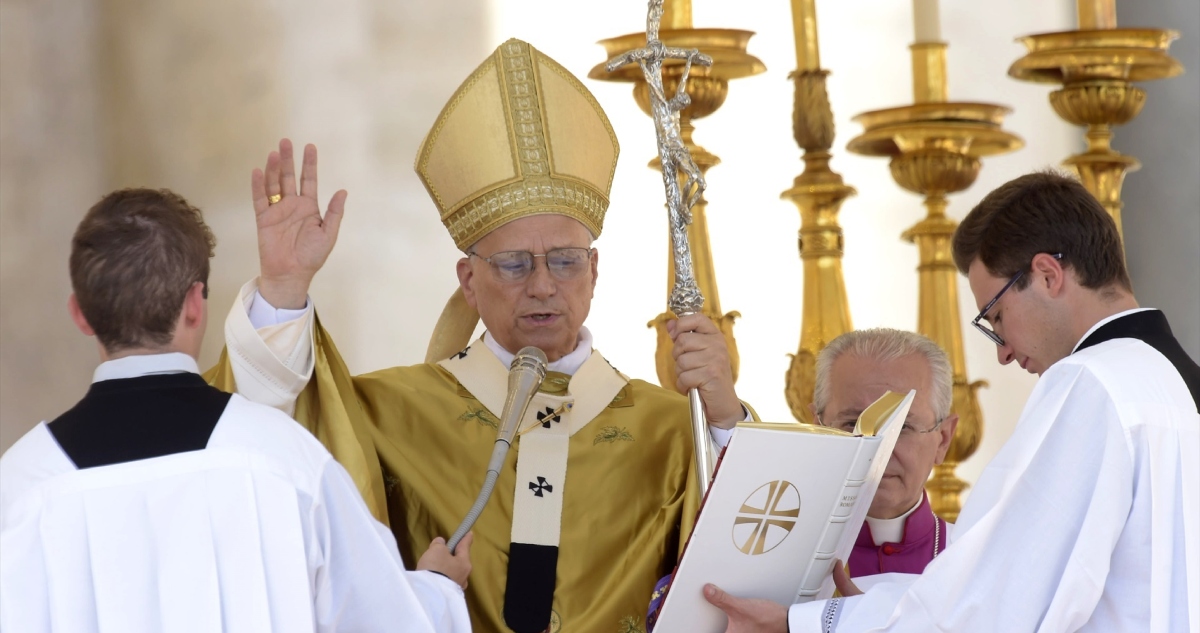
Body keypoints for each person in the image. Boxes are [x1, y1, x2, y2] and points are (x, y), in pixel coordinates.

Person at [209, 39, 750, 633]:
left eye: (566, 261)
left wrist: (723, 419)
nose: (543, 285)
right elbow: (263, 446)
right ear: (468, 280)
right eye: (515, 264)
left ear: (594, 273)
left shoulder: (669, 429)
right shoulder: (391, 416)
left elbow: (751, 560)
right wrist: (283, 291)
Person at [704, 170, 1200, 632]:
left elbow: (995, 605)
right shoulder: (1174, 382)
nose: (1003, 352)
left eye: (996, 316)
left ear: (1048, 275)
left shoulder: (1093, 381)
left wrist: (805, 623)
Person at [0, 188, 474, 633]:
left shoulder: (21, 485)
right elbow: (381, 619)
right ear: (194, 305)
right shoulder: (284, 460)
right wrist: (439, 589)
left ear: (79, 313)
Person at [646, 328, 956, 630]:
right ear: (818, 426)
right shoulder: (768, 550)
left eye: (902, 426)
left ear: (943, 439)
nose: (879, 448)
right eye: (852, 423)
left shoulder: (973, 557)